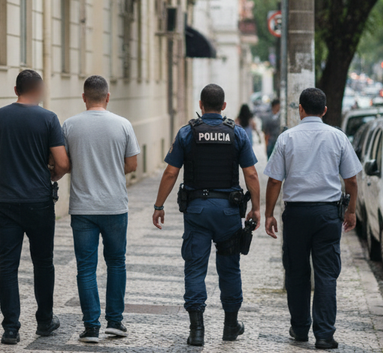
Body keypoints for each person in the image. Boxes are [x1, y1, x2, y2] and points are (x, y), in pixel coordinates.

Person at [151, 84, 261, 347]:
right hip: (228, 212)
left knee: (195, 268)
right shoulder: (237, 134)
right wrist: (256, 208)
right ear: (223, 106)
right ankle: (231, 326)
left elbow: (170, 173)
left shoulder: (188, 132)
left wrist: (158, 206)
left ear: (201, 105)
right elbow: (252, 174)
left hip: (197, 211)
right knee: (230, 269)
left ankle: (197, 331)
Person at [262, 88, 360, 350]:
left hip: (296, 215)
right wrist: (351, 211)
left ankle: (300, 329)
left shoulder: (286, 138)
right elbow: (351, 180)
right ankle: (325, 335)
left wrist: (269, 213)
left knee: (296, 272)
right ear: (325, 110)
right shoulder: (338, 137)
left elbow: (274, 180)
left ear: (300, 109)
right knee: (327, 274)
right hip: (328, 214)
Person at [0, 70, 70, 345]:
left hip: (6, 202)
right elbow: (63, 163)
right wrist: (50, 176)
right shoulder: (48, 118)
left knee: (8, 265)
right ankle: (44, 321)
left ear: (15, 88)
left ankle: (10, 328)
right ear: (39, 90)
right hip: (39, 202)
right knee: (43, 263)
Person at [62, 76, 140, 344]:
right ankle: (115, 323)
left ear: (84, 97)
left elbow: (61, 162)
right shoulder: (123, 124)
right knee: (117, 263)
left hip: (82, 207)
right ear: (107, 97)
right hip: (115, 206)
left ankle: (91, 327)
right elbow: (132, 165)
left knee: (86, 267)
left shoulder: (70, 125)